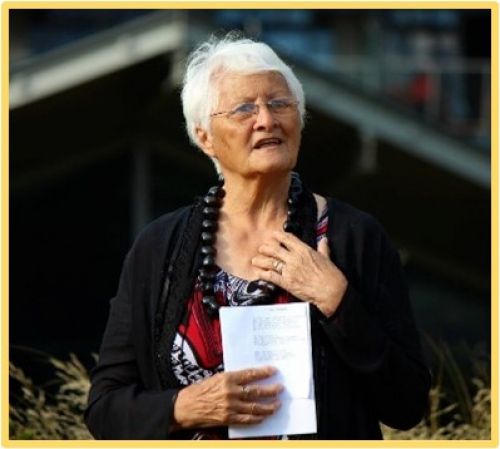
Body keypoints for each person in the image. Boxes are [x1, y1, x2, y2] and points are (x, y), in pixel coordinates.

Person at [84, 34, 431, 440]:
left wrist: (337, 301)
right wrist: (183, 407)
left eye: (280, 103)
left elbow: (407, 405)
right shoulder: (159, 247)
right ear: (205, 137)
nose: (266, 119)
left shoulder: (354, 237)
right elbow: (104, 410)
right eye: (244, 108)